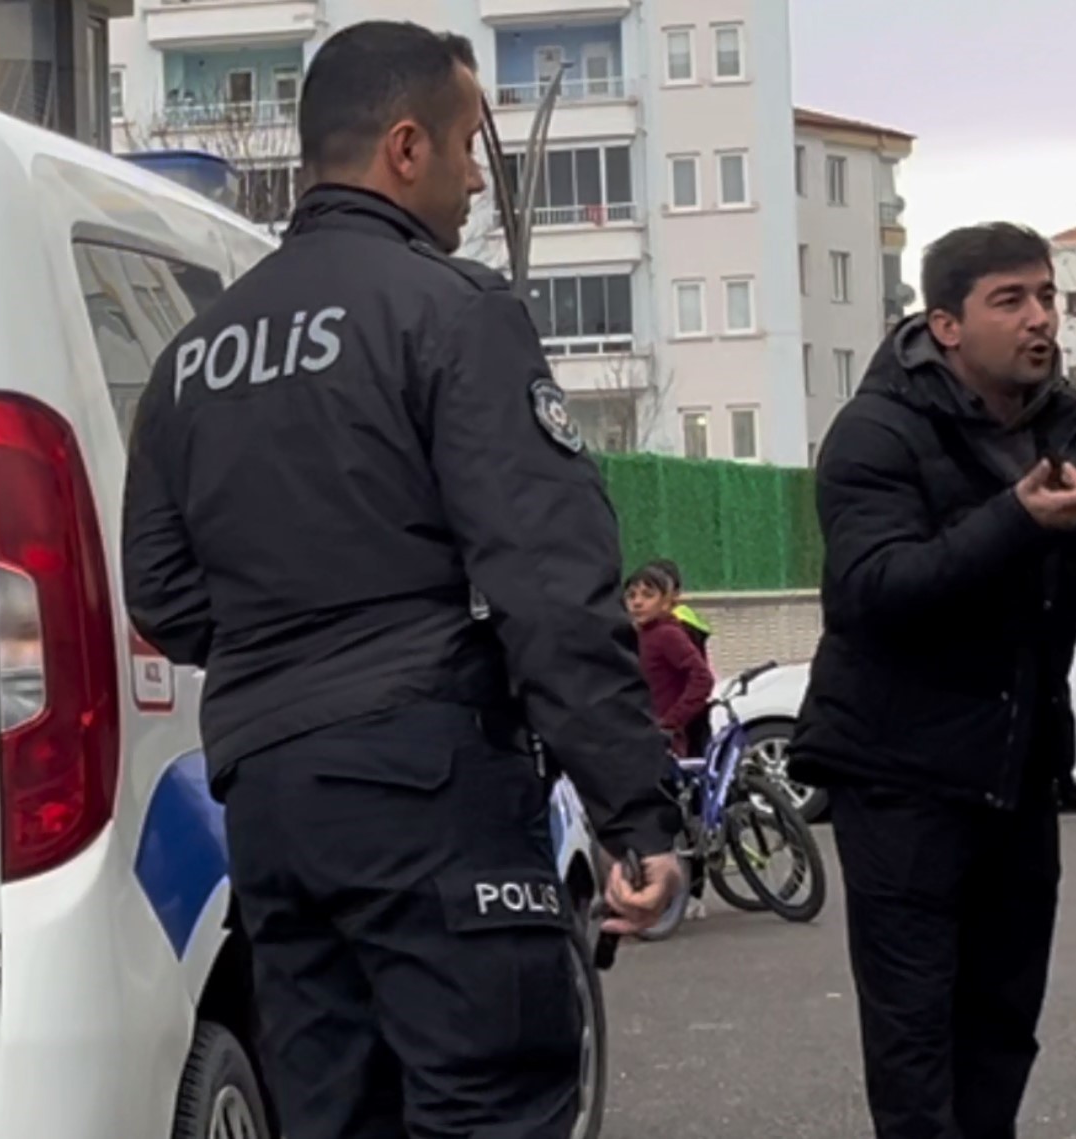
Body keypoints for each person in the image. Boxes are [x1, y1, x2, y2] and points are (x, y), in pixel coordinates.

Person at [120, 22, 683, 1139]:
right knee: (491, 1103)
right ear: (406, 145)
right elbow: (547, 580)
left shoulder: (192, 357)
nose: (480, 177)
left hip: (272, 806)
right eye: (472, 144)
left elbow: (165, 596)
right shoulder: (452, 312)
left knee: (331, 1114)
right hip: (428, 785)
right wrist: (634, 808)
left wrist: (288, 638)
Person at [788, 223, 1076, 1139]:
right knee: (914, 1037)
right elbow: (870, 592)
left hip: (1015, 774)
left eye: (1045, 296)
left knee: (1002, 1025)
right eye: (1009, 300)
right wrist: (1013, 518)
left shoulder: (1069, 420)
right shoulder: (876, 431)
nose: (1039, 318)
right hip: (899, 778)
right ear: (946, 326)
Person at [625, 563, 716, 759]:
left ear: (667, 601)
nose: (637, 602)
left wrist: (671, 722)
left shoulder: (668, 634)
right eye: (631, 596)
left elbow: (702, 679)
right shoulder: (639, 635)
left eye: (647, 595)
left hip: (664, 745)